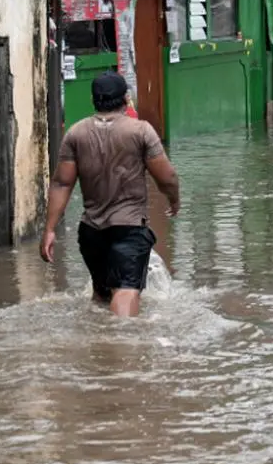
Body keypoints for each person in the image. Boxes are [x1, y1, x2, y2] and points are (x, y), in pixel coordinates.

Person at [40, 71, 180, 318]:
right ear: (126, 99)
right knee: (126, 290)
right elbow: (167, 177)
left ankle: (96, 347)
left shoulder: (76, 133)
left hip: (91, 232)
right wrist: (174, 200)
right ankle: (119, 349)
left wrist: (49, 229)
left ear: (94, 101)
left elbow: (62, 183)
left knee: (102, 294)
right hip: (129, 229)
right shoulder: (141, 131)